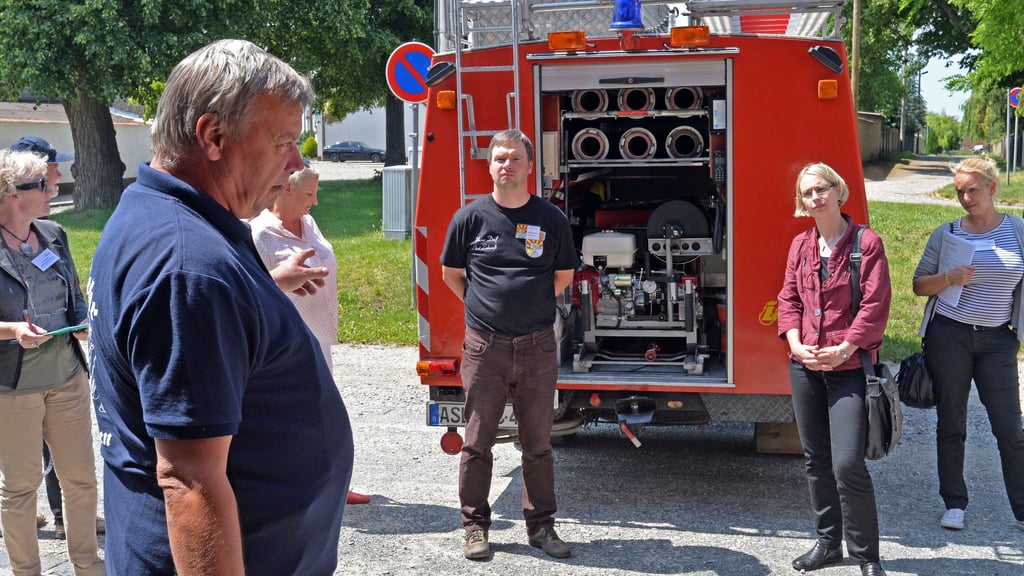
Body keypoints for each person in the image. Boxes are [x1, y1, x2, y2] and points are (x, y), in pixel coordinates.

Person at [87, 39, 354, 575]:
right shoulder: (188, 265)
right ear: (213, 136)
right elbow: (190, 480)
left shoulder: (163, 218)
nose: (296, 162)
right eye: (283, 141)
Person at [440, 129, 578, 561]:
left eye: (515, 158)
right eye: (499, 158)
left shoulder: (550, 219)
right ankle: (475, 528)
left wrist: (524, 309)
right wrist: (485, 309)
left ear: (529, 166)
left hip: (537, 347)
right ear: (489, 165)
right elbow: (451, 273)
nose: (507, 165)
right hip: (486, 348)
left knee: (537, 444)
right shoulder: (469, 218)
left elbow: (562, 278)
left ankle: (542, 529)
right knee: (477, 442)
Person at [777, 162, 891, 576]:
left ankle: (867, 557)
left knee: (847, 464)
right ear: (801, 202)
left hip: (849, 367)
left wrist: (844, 349)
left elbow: (875, 307)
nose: (816, 197)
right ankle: (828, 544)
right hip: (805, 365)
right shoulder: (800, 245)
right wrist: (794, 343)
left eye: (822, 188)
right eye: (808, 193)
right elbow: (788, 300)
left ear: (839, 191)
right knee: (816, 460)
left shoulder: (866, 243)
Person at [0, 149, 104, 576]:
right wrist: (11, 330)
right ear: (10, 192)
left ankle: (88, 566)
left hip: (66, 376)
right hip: (14, 388)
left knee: (80, 479)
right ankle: (27, 572)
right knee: (21, 489)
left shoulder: (54, 233)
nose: (53, 189)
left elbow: (74, 295)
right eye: (41, 184)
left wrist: (80, 321)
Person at [911, 157, 1024, 533]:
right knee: (951, 420)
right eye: (959, 190)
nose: (965, 197)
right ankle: (954, 503)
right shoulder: (947, 234)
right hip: (951, 335)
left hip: (997, 340)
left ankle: (1022, 509)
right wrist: (948, 276)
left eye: (972, 190)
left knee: (1010, 428)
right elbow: (919, 284)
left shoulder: (1019, 231)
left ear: (992, 188)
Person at [250, 163, 371, 505]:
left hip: (319, 336)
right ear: (285, 190)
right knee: (292, 415)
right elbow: (254, 292)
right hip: (286, 341)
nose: (315, 201)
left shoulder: (309, 222)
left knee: (323, 411)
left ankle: (332, 486)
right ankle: (294, 491)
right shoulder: (260, 233)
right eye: (309, 193)